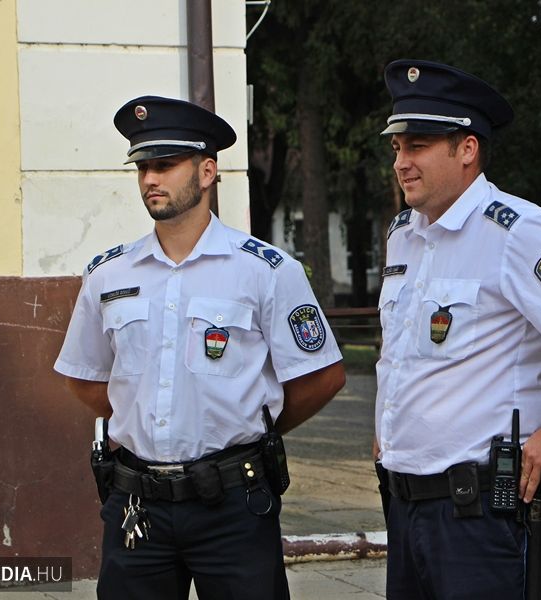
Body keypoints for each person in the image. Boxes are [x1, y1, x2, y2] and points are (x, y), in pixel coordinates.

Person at [54, 95, 345, 600]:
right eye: (143, 167)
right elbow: (85, 376)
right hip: (137, 504)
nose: (150, 179)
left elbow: (322, 376)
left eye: (165, 165)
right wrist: (141, 416)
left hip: (232, 504)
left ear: (207, 171)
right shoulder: (108, 274)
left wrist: (252, 426)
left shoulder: (264, 270)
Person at [373, 59, 541, 599]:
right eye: (397, 147)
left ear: (467, 149)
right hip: (407, 504)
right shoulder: (404, 234)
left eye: (418, 146)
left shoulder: (517, 231)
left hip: (484, 516)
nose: (401, 162)